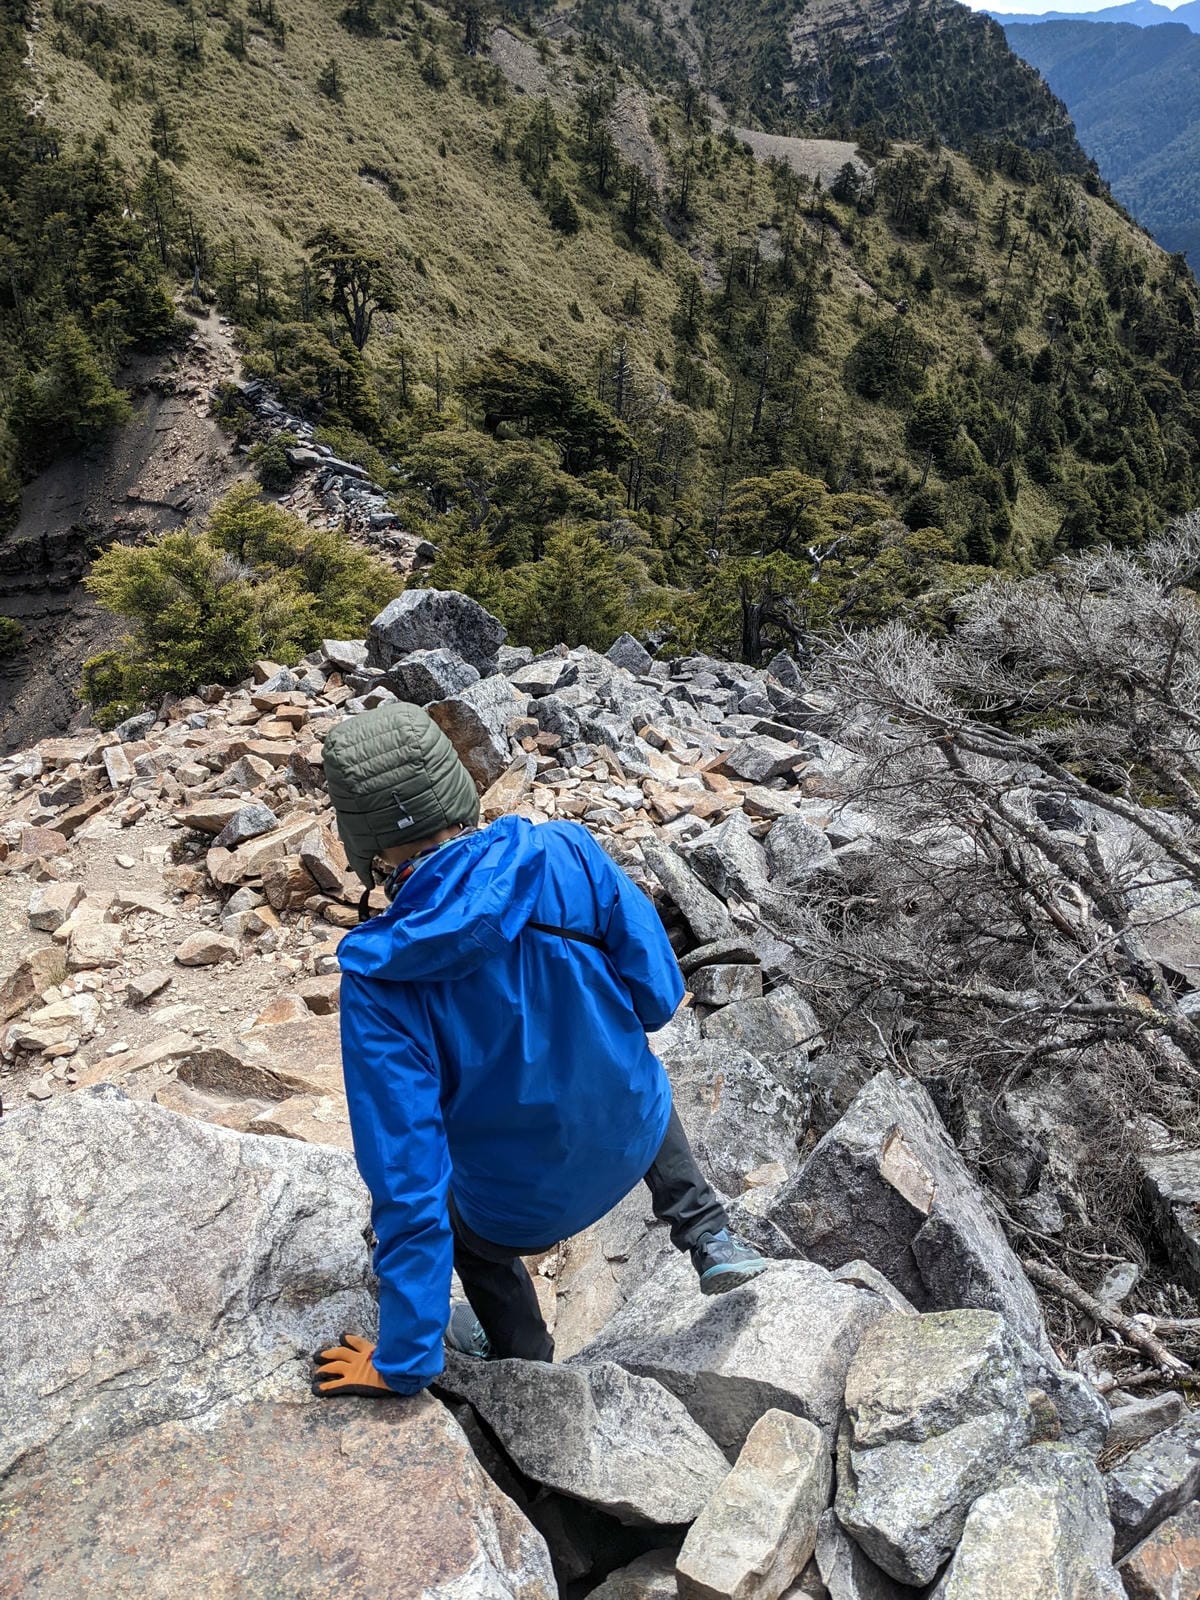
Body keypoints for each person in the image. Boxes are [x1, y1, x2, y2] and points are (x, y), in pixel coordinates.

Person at [312, 702, 767, 1399]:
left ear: (364, 846)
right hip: (631, 1146)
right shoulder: (566, 852)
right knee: (636, 1071)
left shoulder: (380, 979)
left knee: (449, 1222)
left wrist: (400, 1360)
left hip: (516, 1217)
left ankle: (525, 1358)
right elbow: (655, 997)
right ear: (457, 790)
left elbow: (408, 1181)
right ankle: (708, 1236)